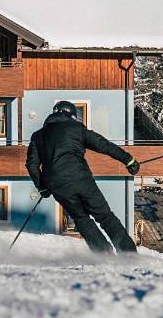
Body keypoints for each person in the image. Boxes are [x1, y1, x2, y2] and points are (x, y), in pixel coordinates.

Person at [26, 100, 140, 254]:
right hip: (81, 179)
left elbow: (32, 165)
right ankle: (128, 254)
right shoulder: (77, 129)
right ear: (71, 115)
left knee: (80, 218)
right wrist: (128, 160)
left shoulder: (38, 135)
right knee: (105, 215)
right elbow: (103, 144)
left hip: (57, 186)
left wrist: (42, 187)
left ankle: (103, 254)